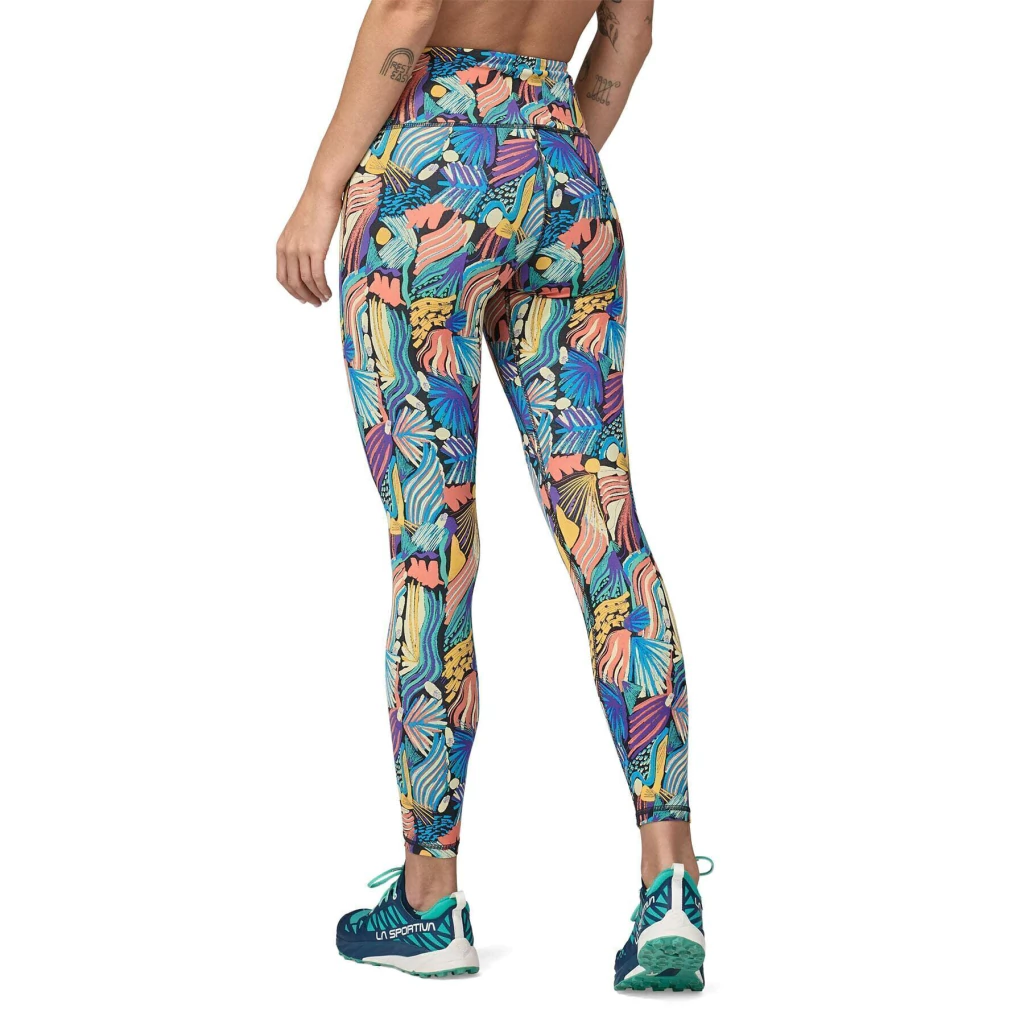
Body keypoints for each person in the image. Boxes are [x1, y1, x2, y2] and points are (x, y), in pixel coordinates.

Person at [277, 0, 711, 991]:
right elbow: (632, 34)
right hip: (564, 175)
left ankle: (430, 901)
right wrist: (544, 158)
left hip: (428, 175)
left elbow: (409, 8)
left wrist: (320, 187)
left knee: (434, 544)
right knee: (606, 528)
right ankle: (671, 881)